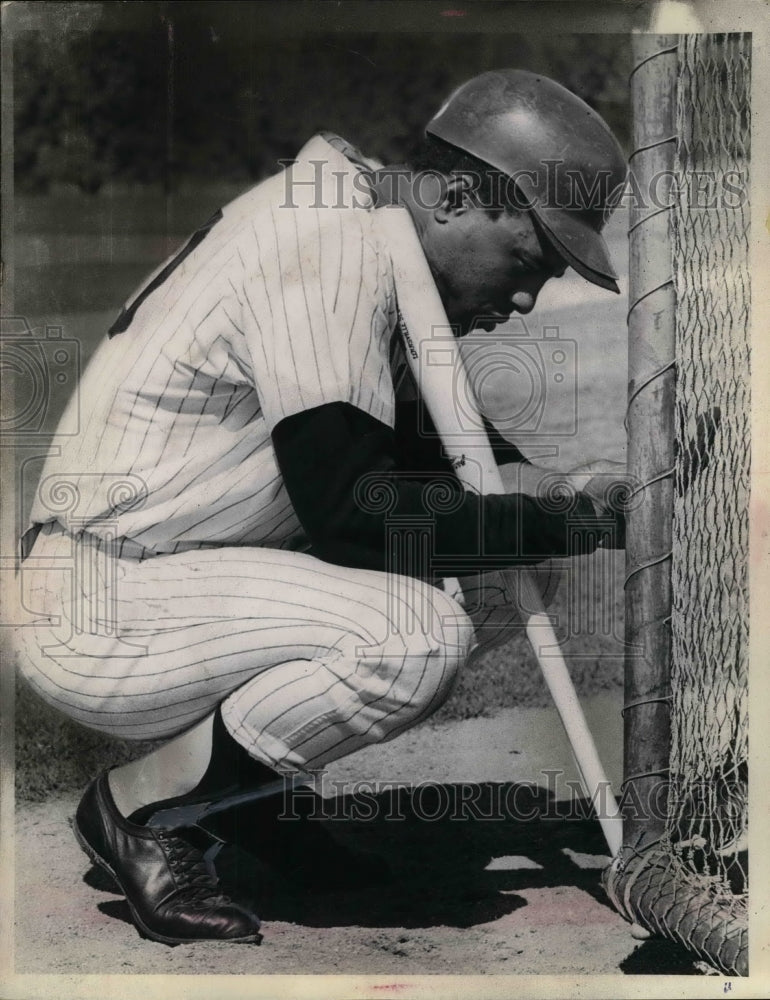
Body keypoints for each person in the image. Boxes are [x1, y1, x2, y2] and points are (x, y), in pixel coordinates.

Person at [15, 69, 629, 945]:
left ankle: (249, 799)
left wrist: (579, 494)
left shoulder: (377, 232)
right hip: (98, 602)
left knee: (502, 575)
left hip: (176, 577)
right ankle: (141, 813)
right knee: (413, 634)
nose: (529, 297)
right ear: (457, 197)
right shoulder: (327, 246)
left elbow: (459, 460)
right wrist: (562, 520)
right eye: (530, 260)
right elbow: (354, 512)